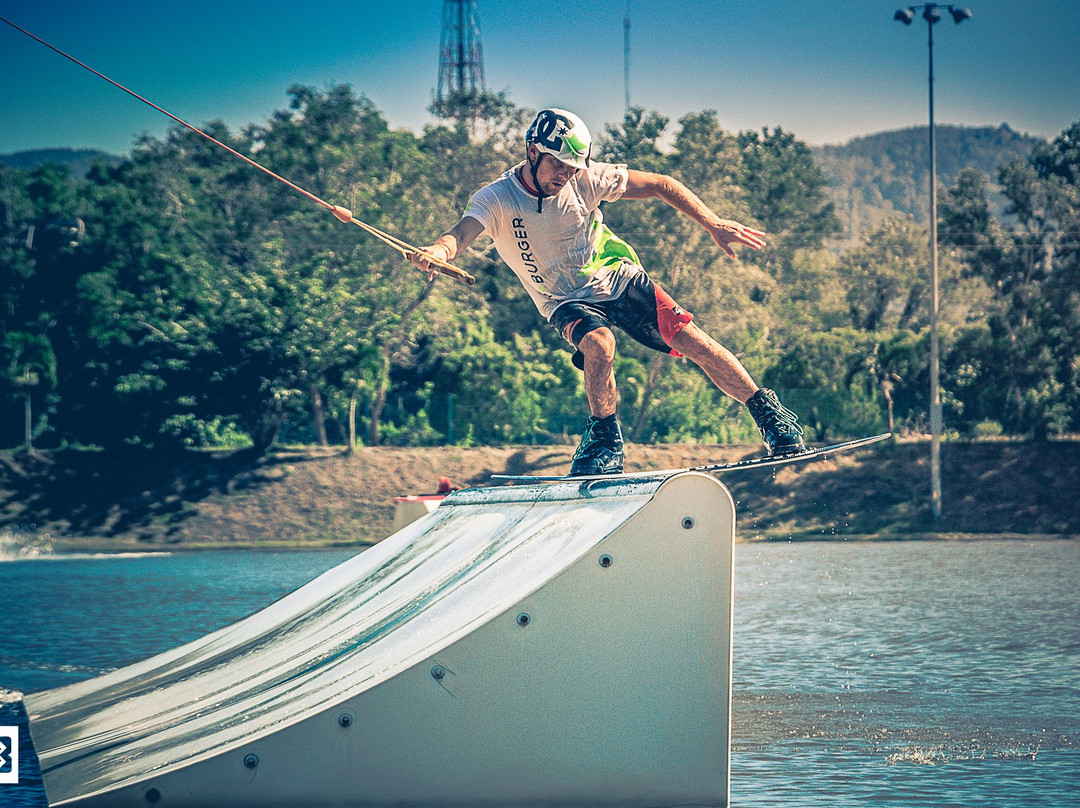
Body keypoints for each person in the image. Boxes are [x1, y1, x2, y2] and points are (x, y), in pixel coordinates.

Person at [412, 108, 804, 476]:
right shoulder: (496, 197)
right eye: (557, 165)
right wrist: (439, 251)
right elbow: (461, 232)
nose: (564, 175)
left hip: (617, 277)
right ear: (532, 151)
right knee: (599, 346)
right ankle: (603, 442)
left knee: (694, 342)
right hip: (563, 300)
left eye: (571, 167)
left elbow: (661, 185)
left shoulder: (586, 177)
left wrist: (713, 222)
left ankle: (771, 418)